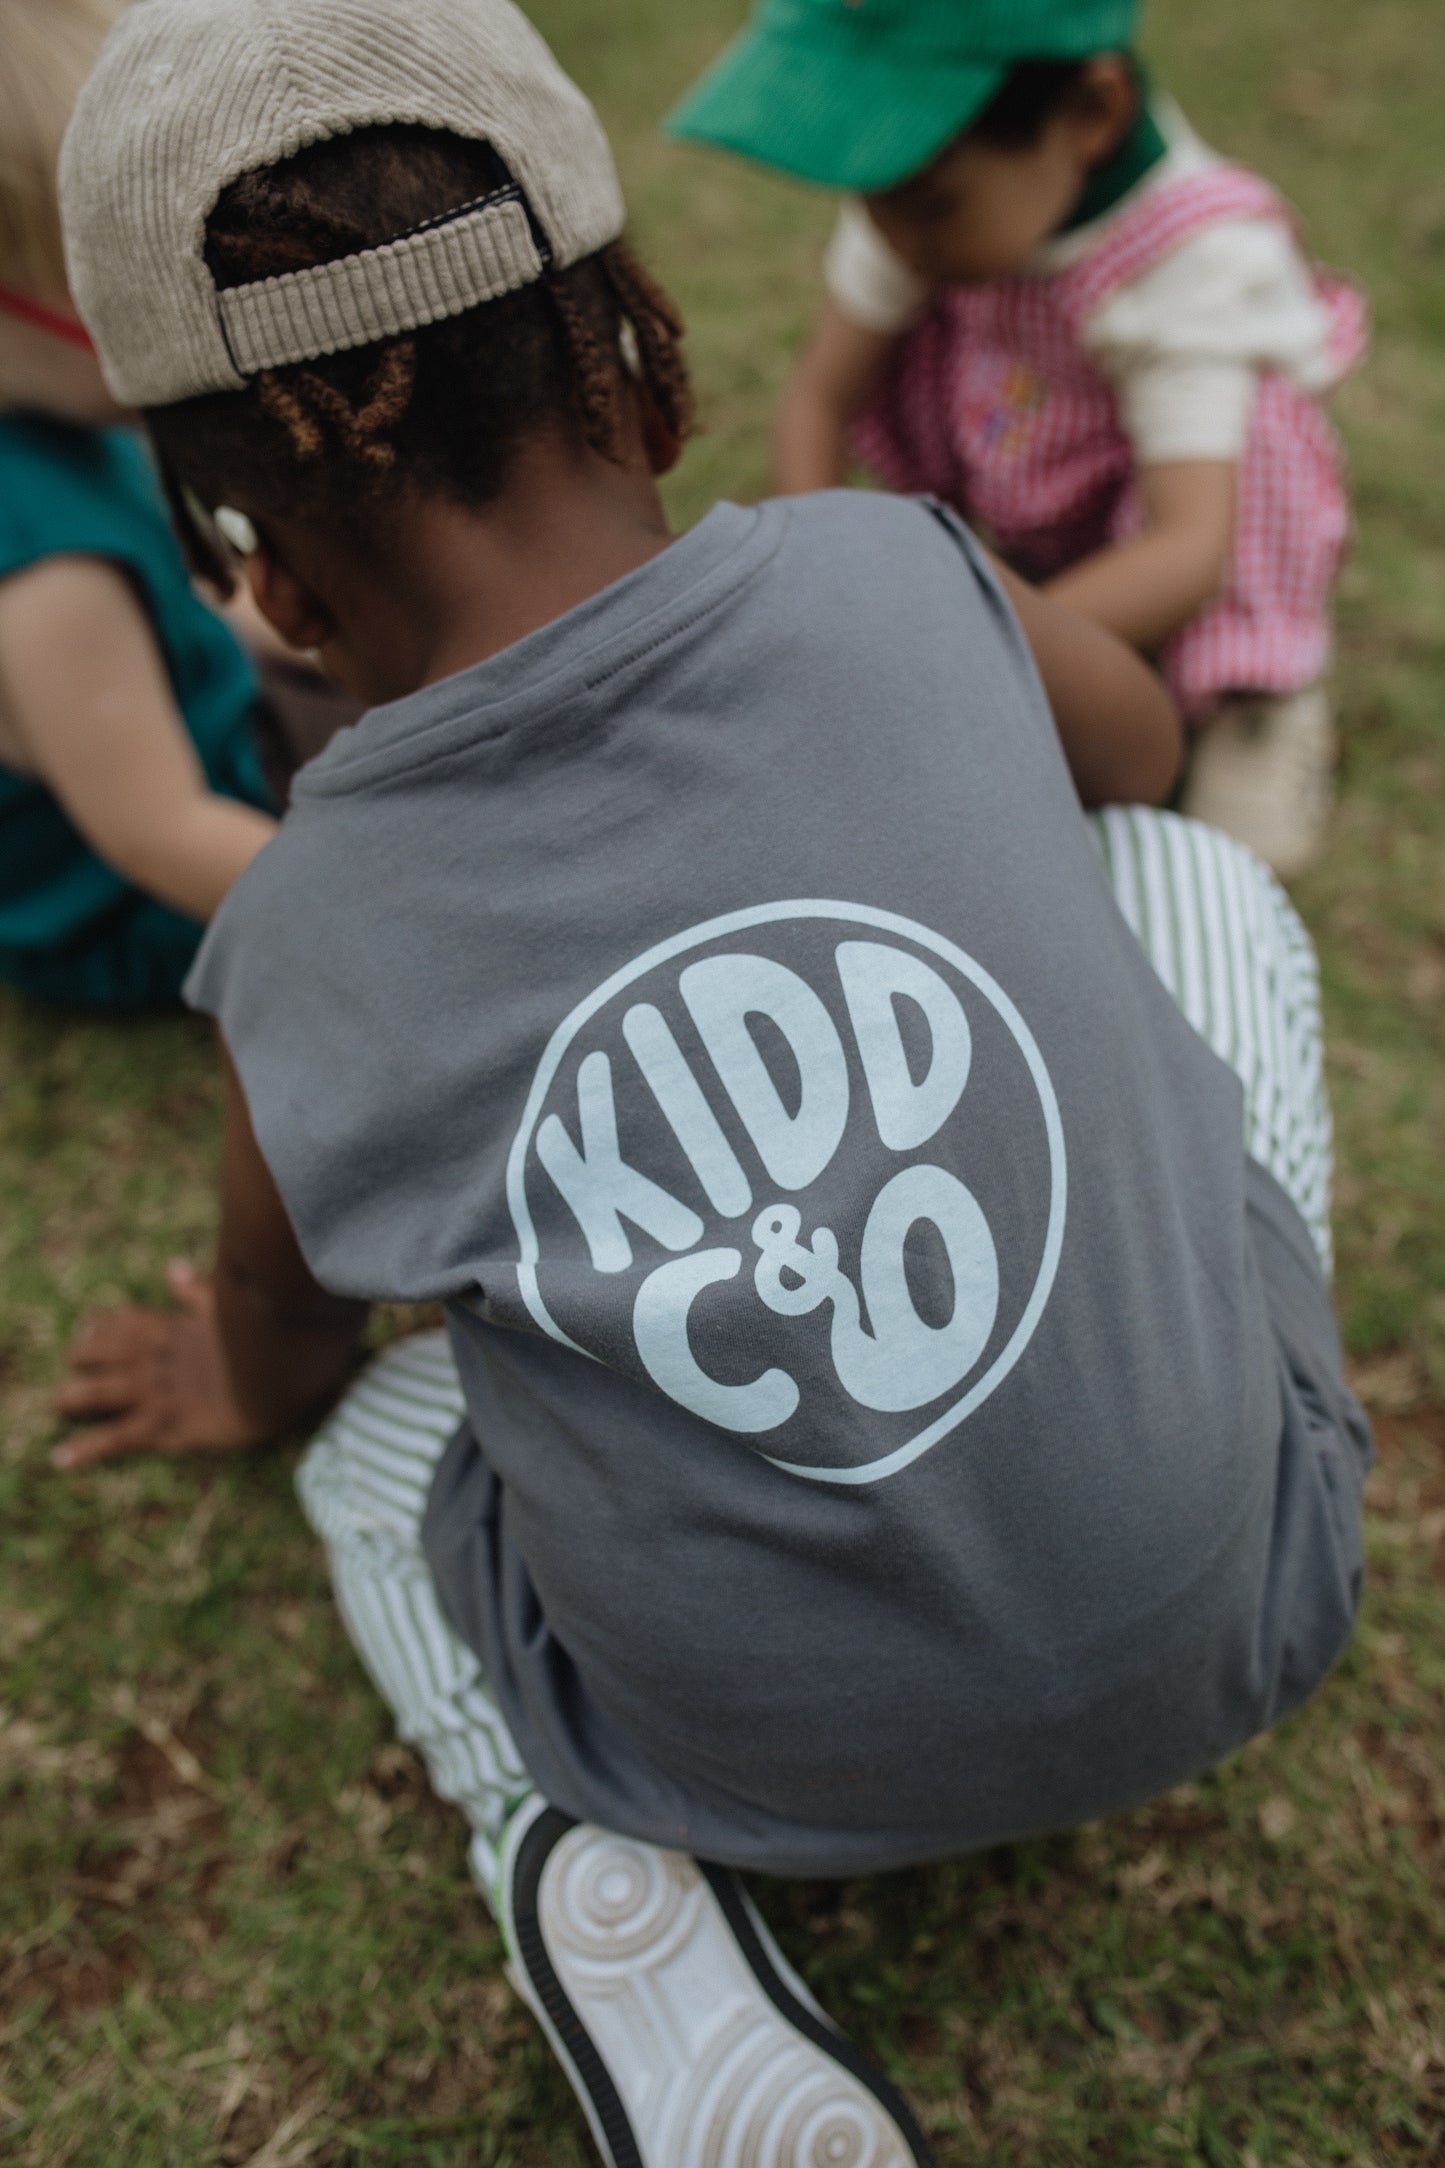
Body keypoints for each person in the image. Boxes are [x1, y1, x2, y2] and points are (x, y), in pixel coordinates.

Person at [52, 0, 1369, 2161]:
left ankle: (587, 1887)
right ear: (644, 354)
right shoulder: (900, 566)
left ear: (262, 578)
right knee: (1182, 885)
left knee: (376, 1464)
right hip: (1246, 1605)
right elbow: (1132, 763)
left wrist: (241, 1373)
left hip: (750, 1778)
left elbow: (286, 1333)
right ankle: (1168, 1378)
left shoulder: (298, 939)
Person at [668, 0, 1368, 879]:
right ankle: (1037, 602)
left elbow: (1188, 546)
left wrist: (964, 650)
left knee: (1258, 444)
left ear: (1090, 114)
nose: (887, 234)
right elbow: (818, 400)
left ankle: (1258, 706)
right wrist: (826, 589)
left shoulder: (1198, 265)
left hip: (1184, 527)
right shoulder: (925, 198)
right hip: (1039, 470)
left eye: (926, 205)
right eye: (870, 195)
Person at [0, 0, 354, 1011]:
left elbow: (195, 613)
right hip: (154, 895)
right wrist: (384, 910)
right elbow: (157, 831)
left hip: (227, 730)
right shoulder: (44, 567)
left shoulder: (73, 425)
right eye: (107, 271)